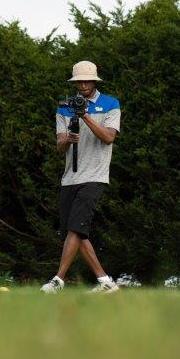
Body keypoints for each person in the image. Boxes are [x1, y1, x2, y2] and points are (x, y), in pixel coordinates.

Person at [41, 61, 121, 294]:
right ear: (74, 83)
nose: (83, 85)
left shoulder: (111, 103)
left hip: (95, 176)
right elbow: (59, 145)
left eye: (87, 80)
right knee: (74, 231)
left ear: (95, 81)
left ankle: (58, 280)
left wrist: (85, 115)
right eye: (79, 81)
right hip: (70, 177)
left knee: (76, 228)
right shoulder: (64, 107)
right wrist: (68, 139)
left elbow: (108, 137)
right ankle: (105, 282)